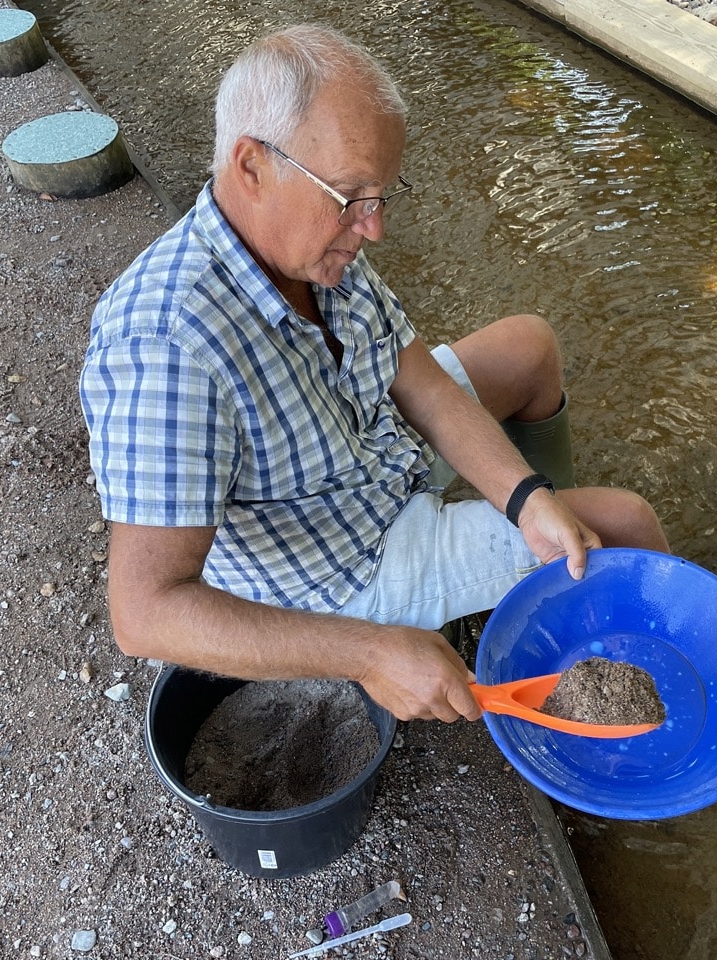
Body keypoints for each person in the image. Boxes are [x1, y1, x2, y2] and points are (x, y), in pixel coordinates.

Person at [79, 24, 670, 726]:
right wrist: (371, 653)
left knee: (529, 348)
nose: (375, 228)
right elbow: (145, 614)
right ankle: (660, 688)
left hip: (367, 454)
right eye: (354, 196)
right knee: (628, 522)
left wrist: (529, 501)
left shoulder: (314, 247)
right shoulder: (164, 347)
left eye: (383, 195)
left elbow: (421, 384)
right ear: (251, 167)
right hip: (346, 564)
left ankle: (547, 572)